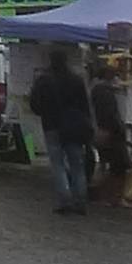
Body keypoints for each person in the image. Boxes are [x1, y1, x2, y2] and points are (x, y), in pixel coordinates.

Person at [30, 45, 95, 213]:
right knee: (77, 164)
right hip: (73, 126)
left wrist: (45, 112)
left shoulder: (43, 80)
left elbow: (35, 104)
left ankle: (64, 199)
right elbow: (84, 106)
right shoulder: (76, 79)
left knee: (57, 164)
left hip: (51, 125)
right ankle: (80, 200)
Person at [91, 64, 132, 210]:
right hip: (112, 133)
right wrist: (119, 128)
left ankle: (105, 195)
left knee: (110, 164)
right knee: (119, 166)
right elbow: (110, 114)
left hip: (105, 131)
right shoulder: (105, 92)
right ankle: (113, 197)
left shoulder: (97, 90)